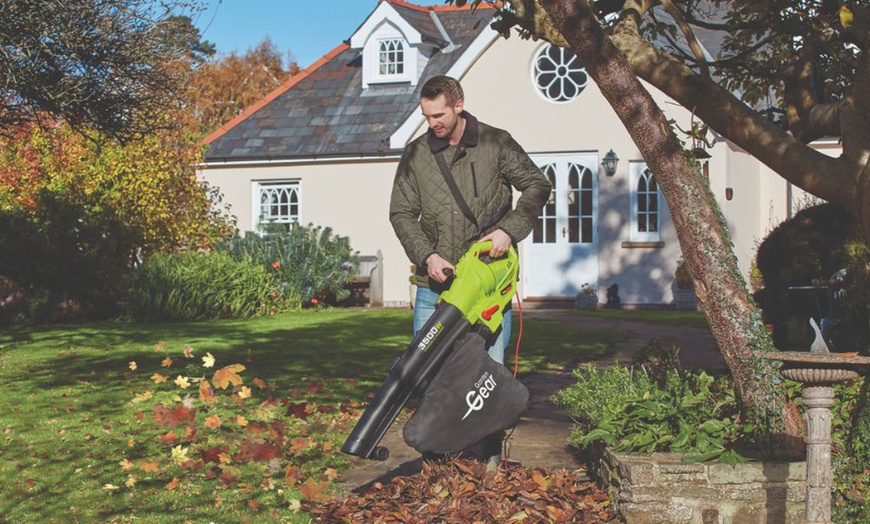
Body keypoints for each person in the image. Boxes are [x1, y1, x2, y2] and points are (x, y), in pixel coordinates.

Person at [389, 75, 551, 465]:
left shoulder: (496, 142)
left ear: (458, 104)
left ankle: (491, 454)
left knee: (489, 371)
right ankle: (436, 458)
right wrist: (427, 255)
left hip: (487, 280)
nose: (433, 124)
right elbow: (401, 213)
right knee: (426, 368)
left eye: (439, 115)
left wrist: (508, 232)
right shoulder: (416, 155)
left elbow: (536, 185)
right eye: (427, 117)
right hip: (437, 284)